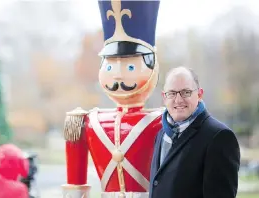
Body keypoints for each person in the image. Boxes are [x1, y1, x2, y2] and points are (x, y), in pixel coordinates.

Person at [61, 0, 163, 197]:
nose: (117, 75)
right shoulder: (83, 121)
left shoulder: (164, 120)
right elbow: (75, 183)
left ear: (154, 66)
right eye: (109, 66)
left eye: (131, 66)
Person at [149, 67, 241, 198]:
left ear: (199, 94)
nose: (178, 100)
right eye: (172, 93)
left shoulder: (219, 136)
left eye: (185, 92)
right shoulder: (161, 134)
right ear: (164, 97)